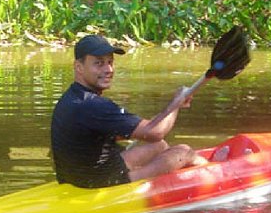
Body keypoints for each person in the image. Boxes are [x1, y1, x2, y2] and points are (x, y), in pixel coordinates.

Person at [50, 34, 205, 188]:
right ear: (79, 67)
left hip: (76, 179)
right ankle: (214, 168)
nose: (108, 69)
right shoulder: (94, 105)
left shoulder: (70, 97)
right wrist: (176, 103)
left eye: (110, 62)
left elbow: (147, 133)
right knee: (184, 151)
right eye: (99, 63)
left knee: (159, 146)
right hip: (103, 183)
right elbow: (156, 132)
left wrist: (164, 114)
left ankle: (173, 171)